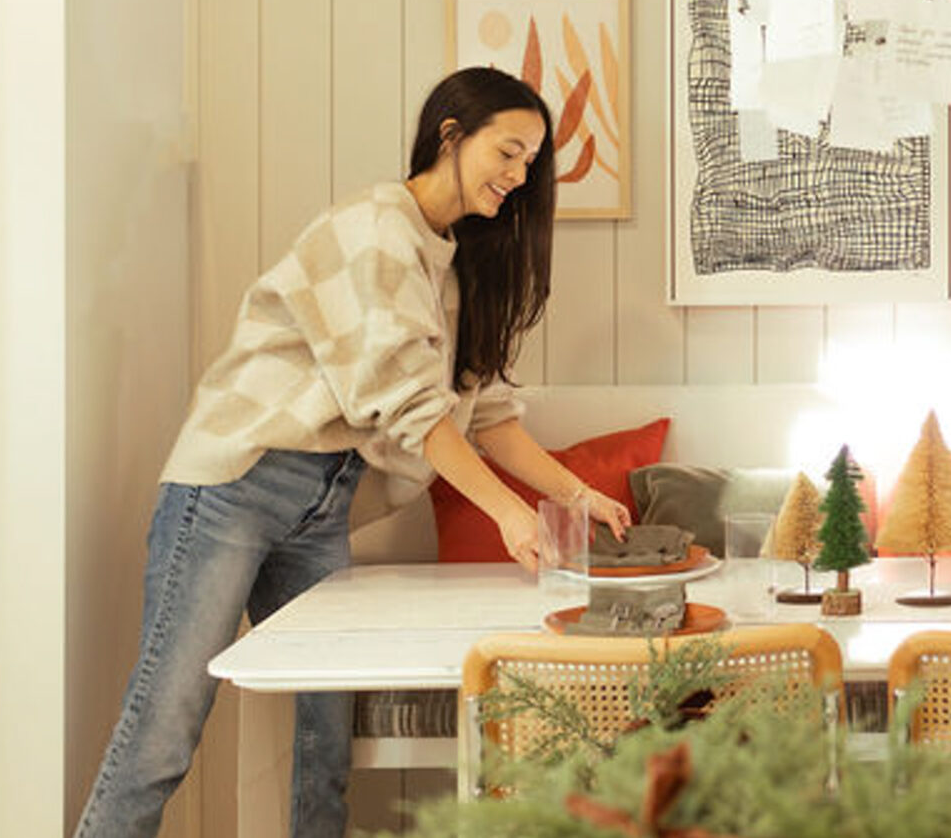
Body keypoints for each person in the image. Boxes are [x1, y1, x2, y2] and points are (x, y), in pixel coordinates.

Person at [73, 66, 629, 838]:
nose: (517, 175)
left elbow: (486, 413)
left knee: (324, 735)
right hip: (236, 484)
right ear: (450, 135)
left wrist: (574, 495)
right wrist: (507, 511)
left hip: (322, 504)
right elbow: (410, 408)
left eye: (530, 163)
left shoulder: (455, 260)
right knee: (165, 726)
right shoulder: (375, 229)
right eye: (507, 151)